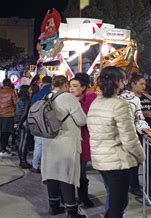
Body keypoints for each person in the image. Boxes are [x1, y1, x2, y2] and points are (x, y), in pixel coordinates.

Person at [87, 66, 145, 218]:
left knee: (114, 201)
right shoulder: (119, 105)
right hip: (117, 161)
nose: (125, 83)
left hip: (101, 159)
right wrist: (141, 157)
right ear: (118, 82)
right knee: (118, 204)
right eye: (123, 80)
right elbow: (129, 138)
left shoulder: (96, 103)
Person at [40, 75, 87, 217]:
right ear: (65, 85)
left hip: (48, 141)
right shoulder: (67, 98)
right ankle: (72, 212)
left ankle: (54, 207)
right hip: (65, 141)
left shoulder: (46, 96)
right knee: (67, 175)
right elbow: (81, 120)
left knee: (52, 174)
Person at [69, 73, 97, 208]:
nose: (71, 89)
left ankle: (83, 197)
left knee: (81, 171)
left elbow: (85, 119)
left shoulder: (90, 100)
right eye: (70, 86)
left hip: (84, 139)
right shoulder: (67, 99)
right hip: (68, 140)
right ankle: (69, 197)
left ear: (84, 87)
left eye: (75, 86)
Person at [30, 76, 52, 173]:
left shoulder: (36, 95)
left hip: (36, 122)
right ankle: (45, 167)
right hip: (48, 123)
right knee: (48, 146)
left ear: (42, 83)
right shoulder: (51, 94)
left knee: (38, 144)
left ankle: (35, 165)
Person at [0, 79, 17, 157]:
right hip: (8, 114)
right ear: (10, 84)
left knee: (2, 132)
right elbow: (16, 102)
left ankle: (3, 148)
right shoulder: (12, 92)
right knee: (7, 133)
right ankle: (3, 150)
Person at [14, 85, 31, 169]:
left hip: (19, 121)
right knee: (24, 142)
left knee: (21, 141)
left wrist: (16, 122)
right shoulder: (26, 99)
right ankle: (23, 161)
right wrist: (20, 122)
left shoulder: (19, 99)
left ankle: (22, 160)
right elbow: (25, 112)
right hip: (24, 122)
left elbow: (17, 111)